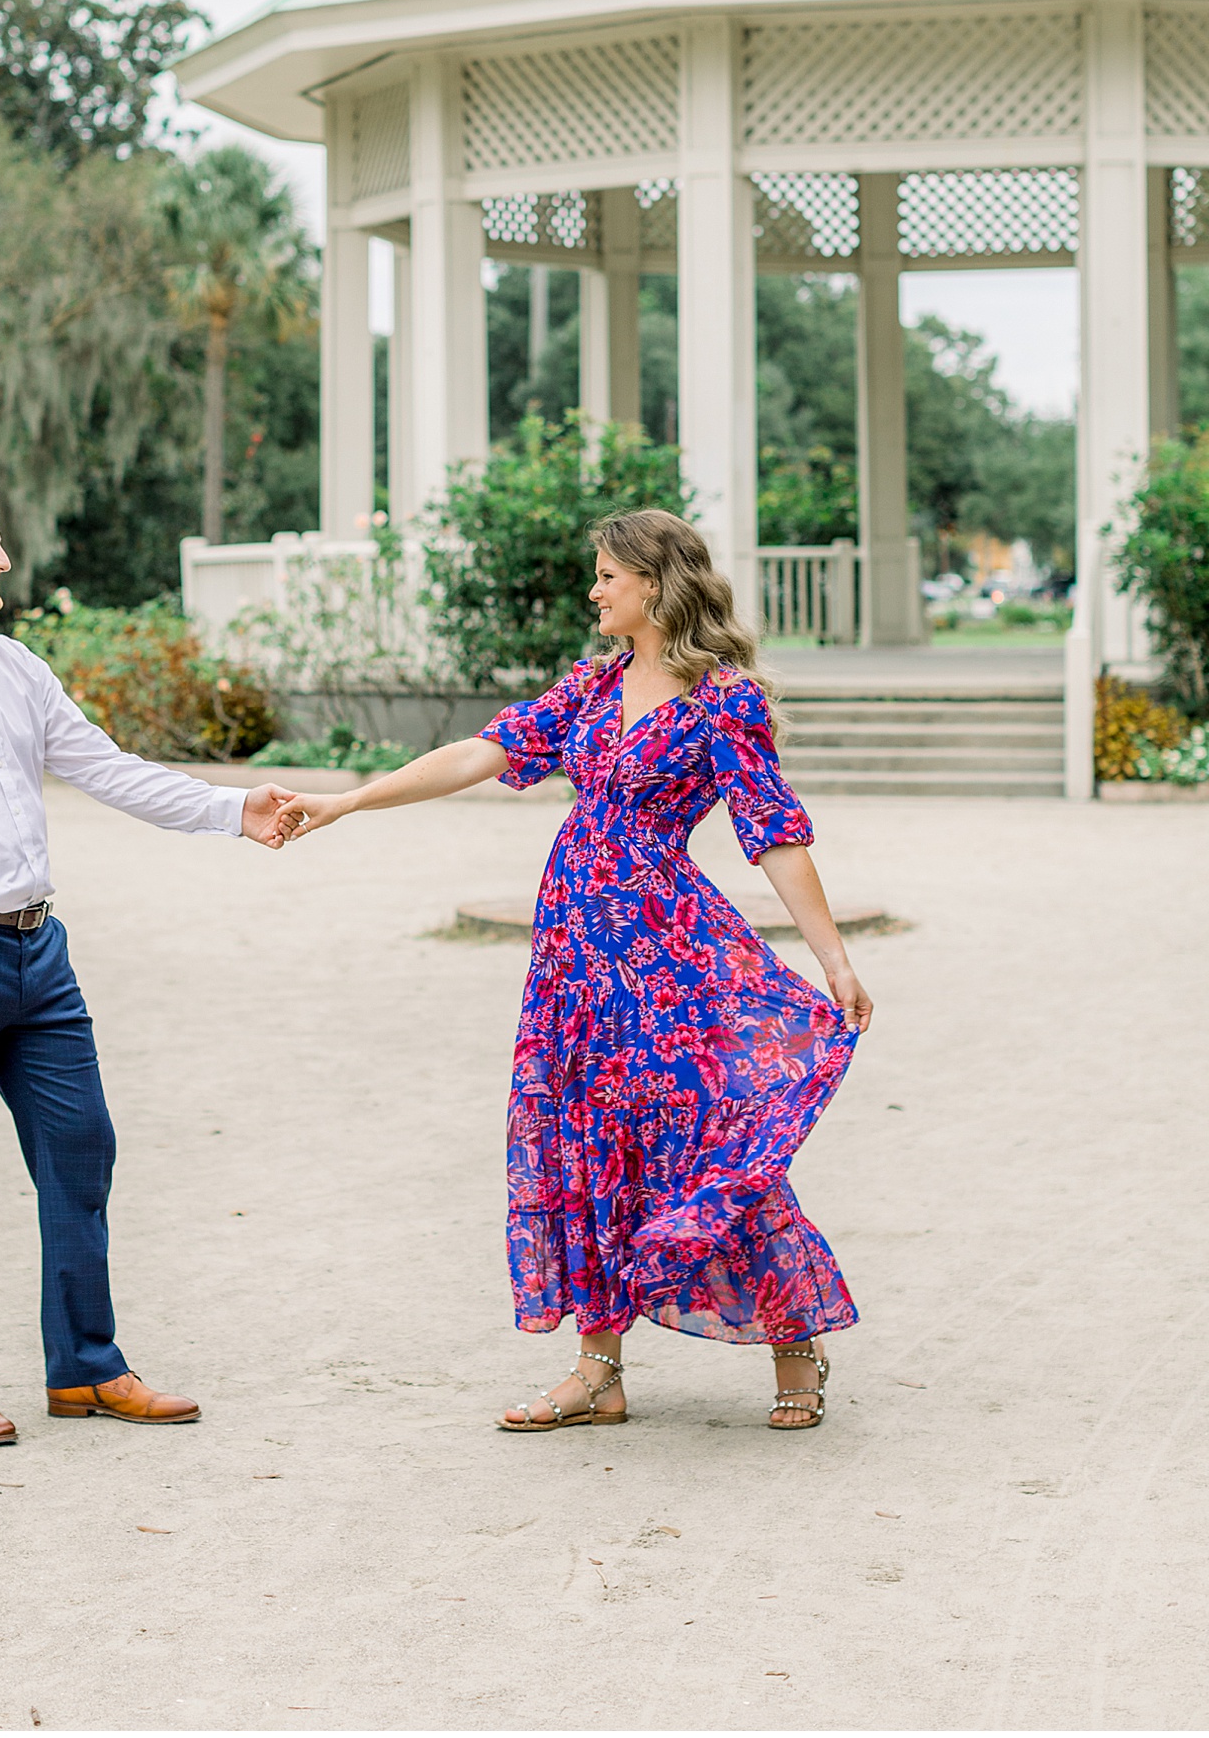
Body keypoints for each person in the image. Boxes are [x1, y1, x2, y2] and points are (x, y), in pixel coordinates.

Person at [270, 507, 869, 1434]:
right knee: (581, 1142)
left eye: (606, 576)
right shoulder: (590, 688)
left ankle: (796, 1338)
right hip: (574, 961)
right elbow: (477, 752)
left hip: (665, 957)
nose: (593, 591)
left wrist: (832, 960)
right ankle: (599, 1372)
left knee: (706, 1137)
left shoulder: (723, 703)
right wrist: (348, 802)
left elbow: (775, 836)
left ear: (654, 584)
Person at [0, 487, 297, 1447]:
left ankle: (85, 1367)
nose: (3, 559)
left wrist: (230, 808)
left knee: (83, 1150)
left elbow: (108, 768)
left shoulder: (17, 670)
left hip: (40, 953)